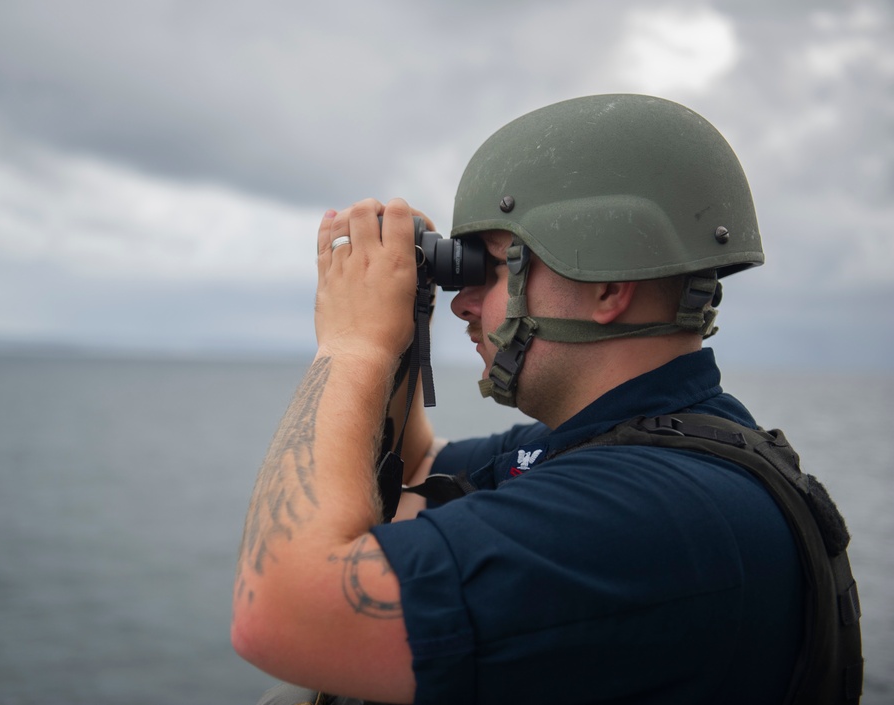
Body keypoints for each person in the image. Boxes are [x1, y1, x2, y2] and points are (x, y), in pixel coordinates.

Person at [232, 94, 858, 704]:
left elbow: (280, 613)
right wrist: (399, 325)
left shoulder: (650, 510)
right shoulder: (623, 448)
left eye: (497, 268)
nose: (463, 303)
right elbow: (414, 471)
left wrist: (351, 344)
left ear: (607, 285)